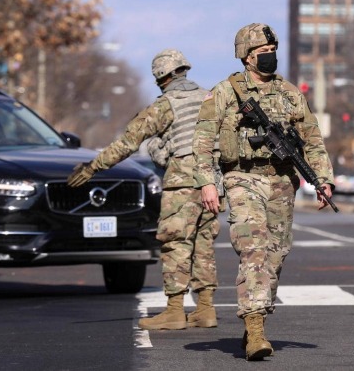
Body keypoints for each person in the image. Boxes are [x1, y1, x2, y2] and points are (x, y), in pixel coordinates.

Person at [191, 23, 334, 361]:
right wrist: (207, 181)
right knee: (253, 248)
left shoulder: (290, 93)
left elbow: (312, 139)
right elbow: (202, 140)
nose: (269, 58)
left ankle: (257, 316)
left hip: (282, 182)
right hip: (242, 177)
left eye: (272, 52)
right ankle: (255, 329)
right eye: (262, 54)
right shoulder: (225, 92)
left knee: (276, 254)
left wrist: (323, 180)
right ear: (246, 56)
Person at [67, 49, 219, 330]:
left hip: (182, 183)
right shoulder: (210, 97)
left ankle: (174, 311)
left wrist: (93, 167)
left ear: (161, 77)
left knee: (175, 242)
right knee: (203, 244)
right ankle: (206, 309)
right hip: (212, 183)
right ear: (184, 69)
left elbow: (128, 141)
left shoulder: (166, 104)